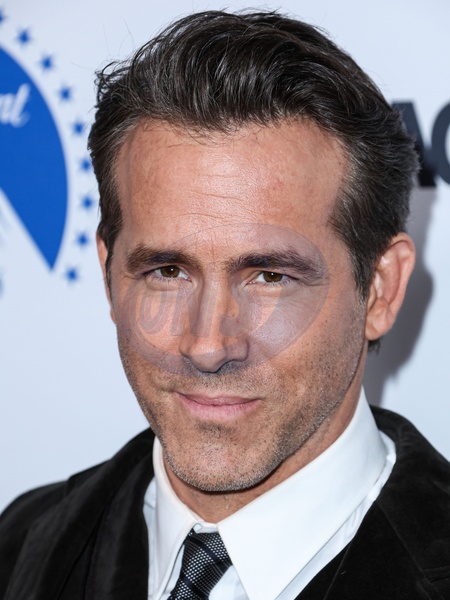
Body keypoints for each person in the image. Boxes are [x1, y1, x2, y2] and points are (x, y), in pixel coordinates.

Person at [1, 9, 450, 600]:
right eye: (167, 272)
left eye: (270, 277)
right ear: (109, 275)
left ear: (381, 289)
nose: (208, 346)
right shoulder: (20, 547)